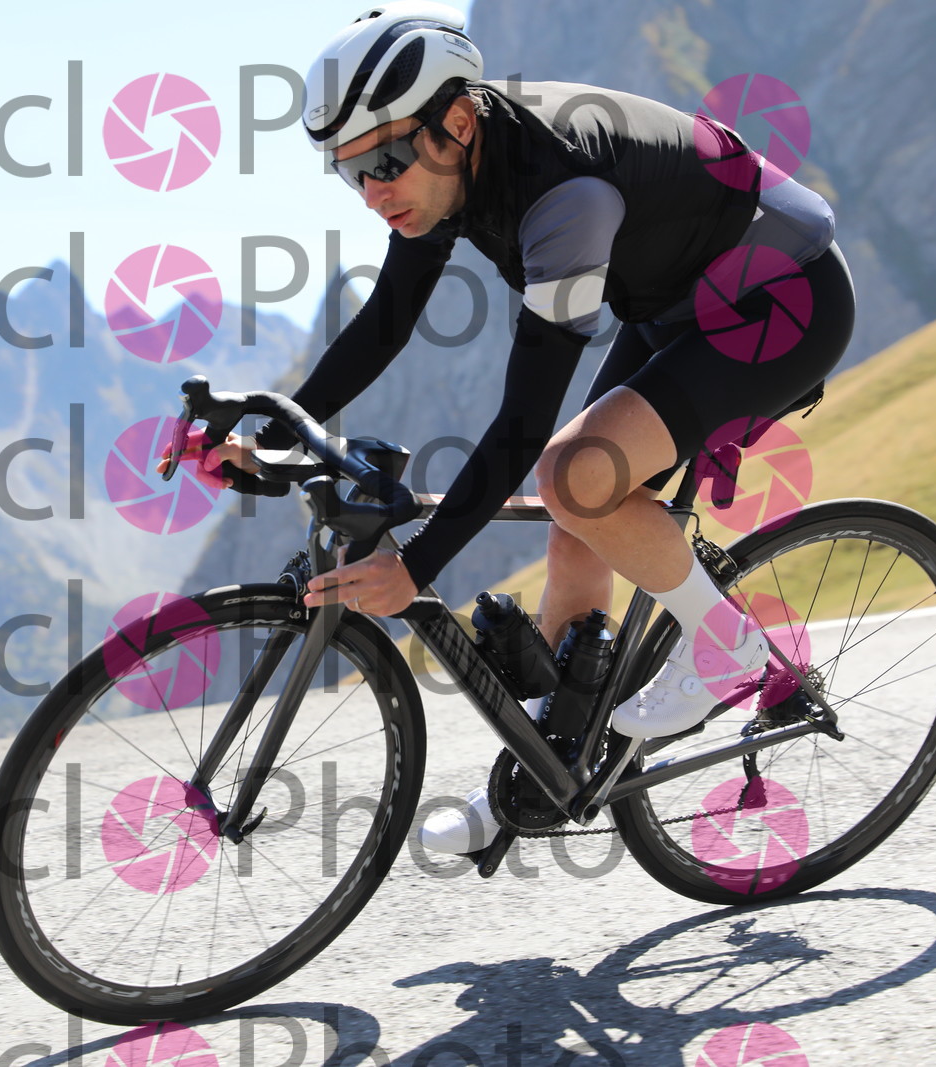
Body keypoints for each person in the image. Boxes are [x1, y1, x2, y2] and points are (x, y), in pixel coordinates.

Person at [161, 1, 854, 854]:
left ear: (456, 123)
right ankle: (543, 771)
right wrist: (274, 434)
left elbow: (525, 421)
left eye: (383, 162)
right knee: (579, 521)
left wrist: (416, 565)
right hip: (679, 299)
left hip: (781, 298)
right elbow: (386, 322)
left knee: (572, 475)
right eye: (351, 173)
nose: (374, 193)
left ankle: (725, 649)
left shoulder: (563, 196)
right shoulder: (445, 170)